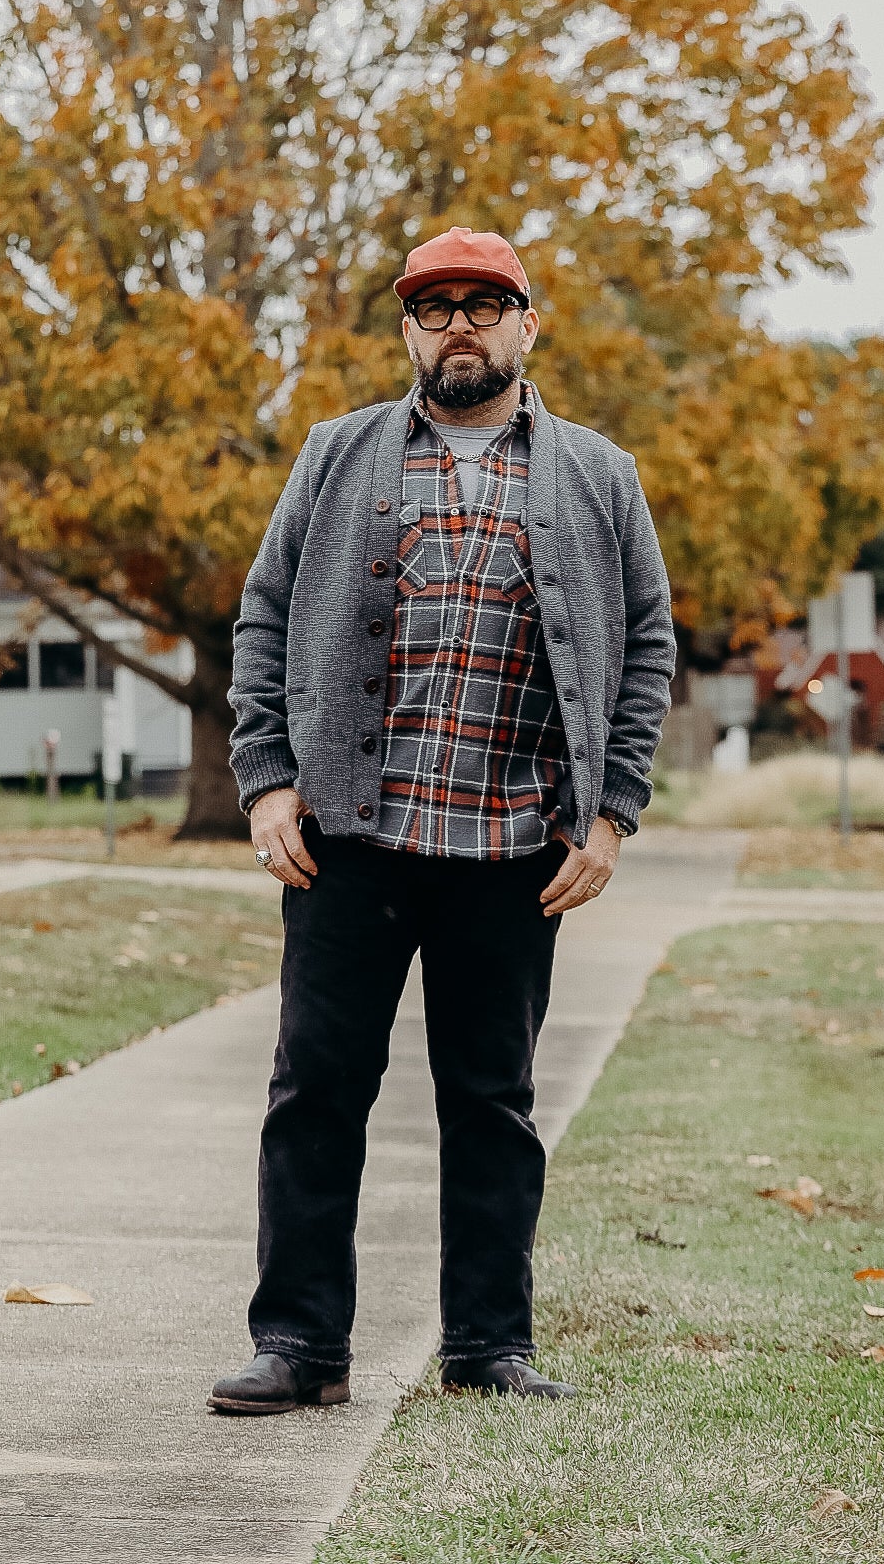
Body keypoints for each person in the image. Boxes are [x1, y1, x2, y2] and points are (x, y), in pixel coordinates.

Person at [209, 226, 674, 1413]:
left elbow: (646, 652)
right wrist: (266, 782)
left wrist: (611, 812)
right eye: (434, 307)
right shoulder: (337, 454)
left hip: (512, 849)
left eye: (484, 303)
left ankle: (486, 1348)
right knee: (315, 1095)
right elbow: (262, 624)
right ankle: (300, 1347)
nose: (458, 323)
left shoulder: (597, 475)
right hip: (347, 843)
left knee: (491, 1105)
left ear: (529, 322)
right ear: (408, 330)